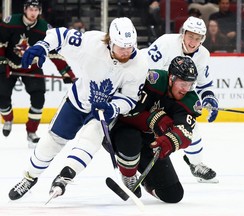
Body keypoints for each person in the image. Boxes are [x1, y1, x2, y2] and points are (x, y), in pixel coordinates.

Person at [8, 17, 148, 201]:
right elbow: (60, 35)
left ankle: (65, 177)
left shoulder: (139, 64)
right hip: (77, 101)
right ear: (111, 42)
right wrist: (43, 46)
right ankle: (30, 177)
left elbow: (130, 98)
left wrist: (113, 108)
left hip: (102, 111)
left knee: (89, 142)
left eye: (130, 47)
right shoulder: (91, 43)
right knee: (51, 142)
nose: (126, 52)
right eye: (121, 47)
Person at [110, 56, 202, 202]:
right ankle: (128, 175)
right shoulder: (153, 81)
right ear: (171, 78)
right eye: (183, 83)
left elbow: (185, 133)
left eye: (190, 84)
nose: (186, 89)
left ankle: (146, 182)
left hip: (150, 142)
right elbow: (126, 113)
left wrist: (169, 142)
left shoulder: (190, 100)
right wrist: (154, 119)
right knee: (131, 138)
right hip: (123, 130)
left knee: (173, 194)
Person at [142, 16, 219, 183]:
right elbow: (146, 73)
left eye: (198, 38)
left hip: (176, 95)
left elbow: (204, 85)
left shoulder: (203, 54)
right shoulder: (166, 43)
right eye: (190, 36)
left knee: (190, 125)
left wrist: (209, 98)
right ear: (182, 33)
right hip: (154, 92)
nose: (193, 42)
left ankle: (196, 165)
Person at [0, 0, 75, 148]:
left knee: (38, 98)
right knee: (2, 97)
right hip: (9, 66)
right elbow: (0, 43)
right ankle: (8, 119)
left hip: (31, 67)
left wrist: (67, 73)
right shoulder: (11, 22)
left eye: (36, 9)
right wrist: (1, 62)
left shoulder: (45, 29)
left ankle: (31, 132)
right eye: (31, 9)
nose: (33, 13)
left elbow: (53, 53)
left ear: (40, 11)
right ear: (25, 10)